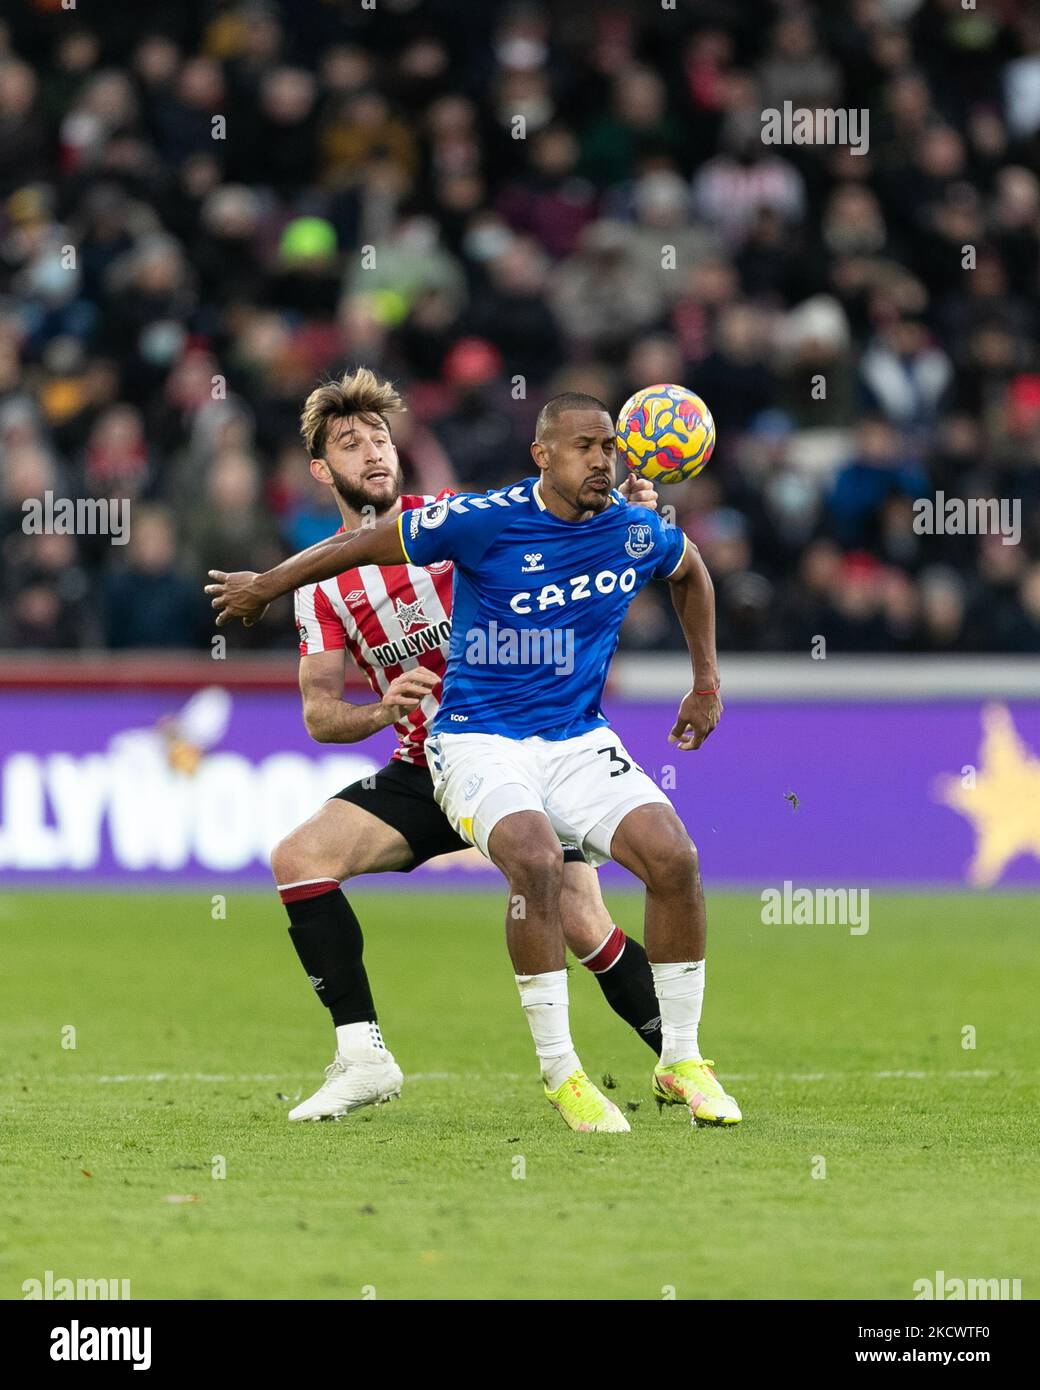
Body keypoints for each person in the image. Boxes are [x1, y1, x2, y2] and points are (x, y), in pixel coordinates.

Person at [208, 389, 741, 1132]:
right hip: (431, 757)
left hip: (531, 742)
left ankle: (678, 1058)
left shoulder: (454, 516)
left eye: (380, 439)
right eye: (351, 445)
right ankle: (364, 1056)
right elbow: (322, 717)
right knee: (299, 858)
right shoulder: (324, 584)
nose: (373, 453)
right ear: (322, 470)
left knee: (583, 913)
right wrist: (382, 708)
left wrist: (622, 502)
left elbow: (558, 524)